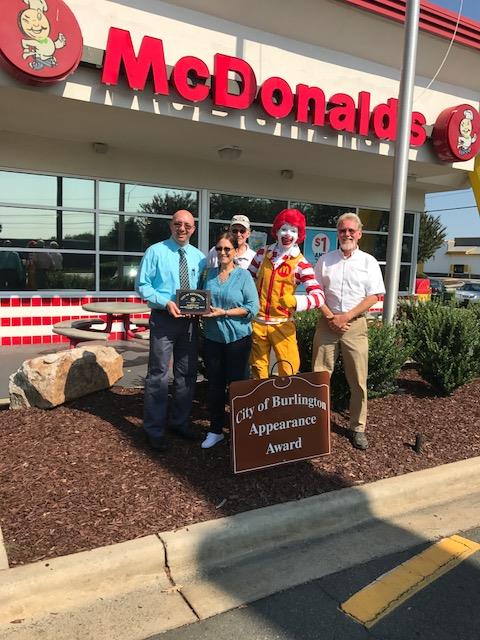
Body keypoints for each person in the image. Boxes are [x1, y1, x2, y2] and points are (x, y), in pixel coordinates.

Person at [312, 212, 386, 451]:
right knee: (319, 378)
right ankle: (316, 422)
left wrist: (346, 317)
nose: (347, 234)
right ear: (338, 233)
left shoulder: (369, 262)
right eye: (343, 230)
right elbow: (316, 292)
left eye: (351, 231)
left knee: (358, 381)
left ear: (359, 234)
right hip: (327, 323)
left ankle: (358, 428)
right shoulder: (325, 260)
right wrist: (331, 317)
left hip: (355, 326)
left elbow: (374, 296)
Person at [136, 210, 206, 451]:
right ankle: (154, 430)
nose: (182, 228)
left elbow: (203, 290)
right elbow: (142, 285)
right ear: (171, 225)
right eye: (178, 224)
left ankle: (180, 422)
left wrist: (202, 308)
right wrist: (165, 301)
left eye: (187, 225)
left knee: (187, 373)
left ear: (193, 229)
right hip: (164, 319)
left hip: (190, 323)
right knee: (158, 373)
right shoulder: (155, 252)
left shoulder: (199, 257)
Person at [249, 208, 333, 379]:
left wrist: (296, 301)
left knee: (288, 369)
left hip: (283, 324)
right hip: (258, 323)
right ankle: (263, 396)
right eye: (284, 229)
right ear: (277, 231)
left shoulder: (301, 263)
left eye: (293, 230)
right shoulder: (262, 254)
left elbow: (318, 297)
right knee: (257, 368)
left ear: (299, 235)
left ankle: (287, 398)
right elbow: (247, 281)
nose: (288, 234)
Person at [201, 232, 259, 449]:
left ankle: (240, 431)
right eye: (219, 248)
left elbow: (252, 308)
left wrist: (224, 312)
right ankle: (215, 430)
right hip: (213, 338)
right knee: (215, 386)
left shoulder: (243, 276)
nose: (223, 252)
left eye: (227, 249)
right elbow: (199, 301)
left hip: (238, 340)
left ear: (235, 251)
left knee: (238, 387)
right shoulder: (208, 275)